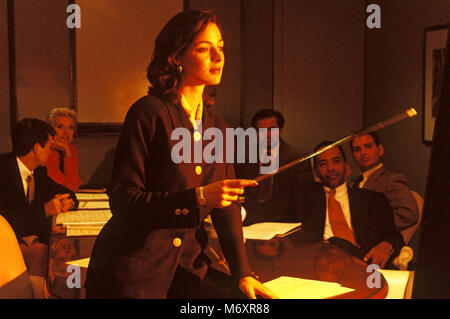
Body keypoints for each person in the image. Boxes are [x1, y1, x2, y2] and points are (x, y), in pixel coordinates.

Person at [85, 9, 277, 299]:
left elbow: (226, 207)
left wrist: (243, 273)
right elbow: (124, 203)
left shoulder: (219, 128)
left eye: (221, 47)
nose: (218, 57)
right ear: (176, 57)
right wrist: (199, 198)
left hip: (187, 269)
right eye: (204, 49)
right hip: (136, 274)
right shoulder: (148, 112)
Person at [291, 141, 404, 268]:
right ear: (315, 171)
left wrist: (385, 246)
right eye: (323, 164)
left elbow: (394, 235)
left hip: (365, 263)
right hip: (322, 266)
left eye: (336, 161)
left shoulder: (373, 199)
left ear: (346, 165)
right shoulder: (303, 199)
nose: (331, 168)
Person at [0, 118, 78, 275]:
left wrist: (68, 202)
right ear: (37, 148)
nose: (50, 152)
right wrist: (46, 210)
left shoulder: (38, 171)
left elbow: (68, 192)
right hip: (6, 244)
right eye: (49, 147)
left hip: (28, 240)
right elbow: (11, 223)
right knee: (43, 252)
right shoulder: (3, 171)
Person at [235, 109, 314, 225]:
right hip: (249, 223)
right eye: (261, 130)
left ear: (280, 130)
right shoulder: (244, 157)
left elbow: (300, 202)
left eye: (271, 129)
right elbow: (240, 195)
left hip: (285, 224)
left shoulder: (298, 158)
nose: (267, 135)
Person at [350, 133, 419, 238]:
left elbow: (409, 214)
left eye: (368, 146)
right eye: (357, 149)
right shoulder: (354, 182)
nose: (363, 153)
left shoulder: (392, 179)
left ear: (380, 149)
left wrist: (377, 227)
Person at [46, 107, 81, 192]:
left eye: (71, 128)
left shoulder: (71, 149)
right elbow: (69, 188)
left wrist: (67, 152)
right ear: (50, 129)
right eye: (60, 126)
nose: (66, 131)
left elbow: (74, 186)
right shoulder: (46, 151)